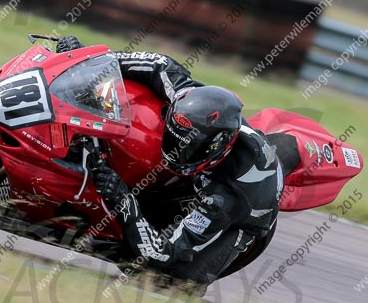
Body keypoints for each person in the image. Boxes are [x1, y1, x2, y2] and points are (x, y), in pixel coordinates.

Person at [56, 35, 297, 286]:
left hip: (241, 220)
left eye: (189, 149)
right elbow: (159, 63)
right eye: (175, 139)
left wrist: (123, 200)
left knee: (164, 280)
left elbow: (164, 254)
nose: (176, 152)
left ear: (217, 149)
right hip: (197, 181)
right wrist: (86, 60)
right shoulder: (186, 96)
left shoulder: (225, 197)